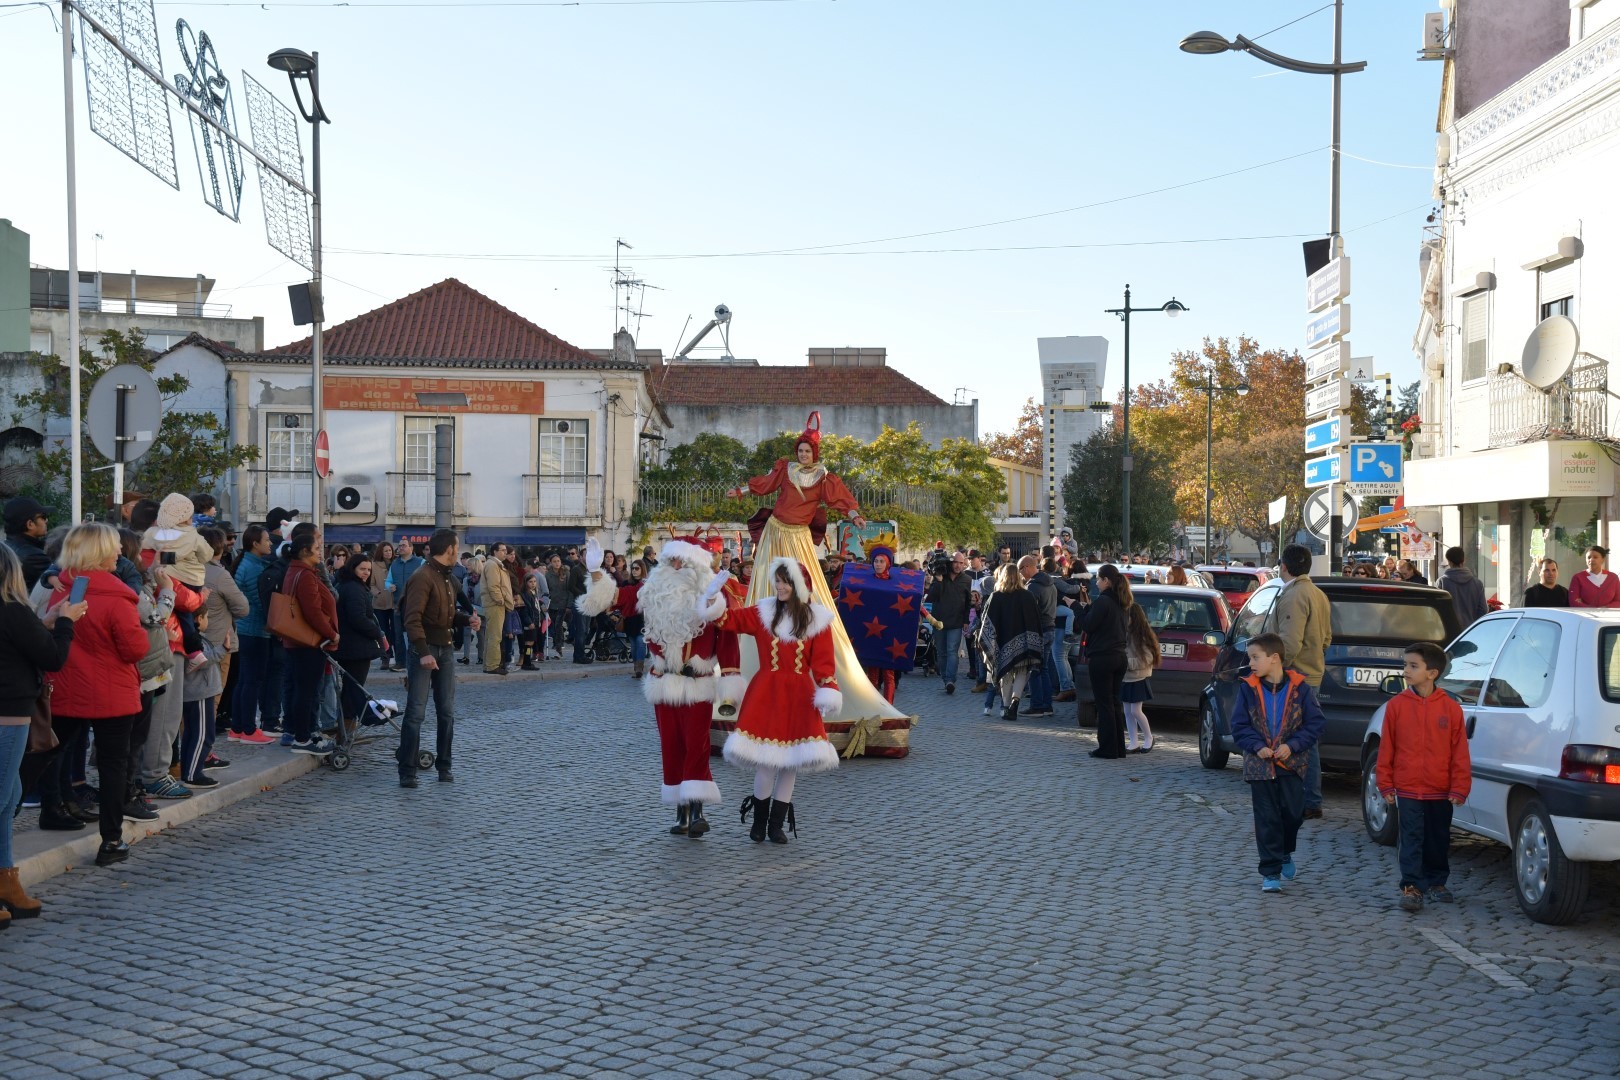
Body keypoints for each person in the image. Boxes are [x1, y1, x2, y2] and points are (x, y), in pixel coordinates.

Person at [726, 412, 913, 737]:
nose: (803, 456)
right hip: (775, 533)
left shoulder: (825, 478)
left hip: (798, 536)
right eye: (800, 451)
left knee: (801, 588)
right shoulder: (786, 469)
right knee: (768, 587)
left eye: (807, 452)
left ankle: (799, 626)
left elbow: (842, 500)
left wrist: (855, 516)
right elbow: (766, 484)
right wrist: (741, 491)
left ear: (816, 455)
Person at [579, 538, 740, 835]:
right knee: (671, 746)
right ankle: (681, 811)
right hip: (664, 682)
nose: (677, 566)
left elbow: (728, 636)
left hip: (697, 683)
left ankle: (698, 809)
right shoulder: (651, 590)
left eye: (684, 562)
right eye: (671, 561)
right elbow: (618, 597)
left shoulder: (713, 594)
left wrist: (730, 676)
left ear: (697, 565)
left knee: (697, 746)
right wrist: (597, 572)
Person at [703, 558, 839, 845]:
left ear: (799, 586)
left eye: (785, 581)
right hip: (767, 692)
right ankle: (759, 822)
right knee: (766, 761)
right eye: (777, 581)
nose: (779, 586)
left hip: (800, 696)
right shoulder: (763, 612)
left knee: (790, 763)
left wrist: (828, 689)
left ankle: (776, 825)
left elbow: (824, 665)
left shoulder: (818, 621)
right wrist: (714, 597)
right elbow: (728, 621)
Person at [44, 524, 150, 866]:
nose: (119, 552)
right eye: (115, 547)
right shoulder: (117, 597)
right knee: (113, 764)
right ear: (98, 551)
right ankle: (111, 840)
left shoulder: (62, 588)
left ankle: (49, 809)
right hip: (111, 690)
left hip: (67, 684)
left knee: (50, 753)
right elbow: (134, 648)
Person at [0, 543, 82, 917]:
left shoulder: (17, 615)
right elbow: (52, 658)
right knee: (3, 799)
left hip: (11, 712)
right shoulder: (13, 611)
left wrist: (47, 623)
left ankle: (7, 881)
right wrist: (66, 623)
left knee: (9, 797)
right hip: (10, 714)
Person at [1375, 640, 1471, 912]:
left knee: (1438, 838)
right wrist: (1386, 783)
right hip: (1406, 788)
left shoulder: (1451, 709)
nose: (1406, 670)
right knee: (1411, 837)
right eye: (1405, 664)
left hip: (1440, 789)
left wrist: (1459, 786)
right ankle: (1412, 886)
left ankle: (1437, 882)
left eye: (1413, 666)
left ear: (1432, 673)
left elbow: (1459, 752)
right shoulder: (1396, 706)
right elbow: (1387, 749)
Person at [1229, 632, 1325, 894]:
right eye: (1250, 658)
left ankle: (1284, 852)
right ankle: (1270, 871)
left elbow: (1315, 724)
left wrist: (1291, 746)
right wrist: (1257, 746)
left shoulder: (1301, 689)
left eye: (1255, 657)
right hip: (1259, 767)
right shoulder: (1247, 689)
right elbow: (1239, 725)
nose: (1251, 663)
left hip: (1291, 765)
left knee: (1293, 814)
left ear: (1274, 658)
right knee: (1266, 818)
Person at [397, 529, 480, 788]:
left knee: (446, 712)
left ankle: (445, 766)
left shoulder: (448, 578)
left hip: (444, 649)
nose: (459, 552)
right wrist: (423, 653)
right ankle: (407, 771)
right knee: (416, 713)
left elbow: (448, 614)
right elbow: (411, 618)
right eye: (457, 548)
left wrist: (468, 619)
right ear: (450, 550)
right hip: (425, 650)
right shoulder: (422, 577)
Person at [1274, 542, 1333, 818]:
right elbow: (1327, 638)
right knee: (1305, 738)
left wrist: (1275, 669)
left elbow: (1289, 642)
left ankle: (1307, 800)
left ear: (1284, 567)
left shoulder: (1295, 595)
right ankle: (1309, 799)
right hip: (1312, 672)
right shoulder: (1318, 594)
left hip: (1296, 674)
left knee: (1298, 739)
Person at [277, 532, 340, 757]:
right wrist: (331, 633)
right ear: (305, 551)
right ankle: (303, 737)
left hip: (302, 642)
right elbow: (312, 611)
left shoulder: (300, 571)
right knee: (306, 691)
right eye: (317, 548)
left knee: (306, 690)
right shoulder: (303, 574)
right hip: (307, 641)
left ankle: (307, 732)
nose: (320, 552)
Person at [976, 563, 1044, 721]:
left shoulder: (997, 596)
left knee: (1005, 673)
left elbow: (987, 623)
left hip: (1002, 641)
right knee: (1021, 672)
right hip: (1025, 644)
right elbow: (1036, 621)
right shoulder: (1028, 596)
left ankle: (1006, 707)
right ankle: (1016, 701)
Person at [229, 525, 278, 744]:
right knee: (252, 681)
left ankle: (238, 728)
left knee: (245, 681)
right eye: (266, 540)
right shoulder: (253, 568)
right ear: (255, 544)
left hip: (246, 629)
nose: (270, 543)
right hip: (254, 630)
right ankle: (248, 730)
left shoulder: (249, 563)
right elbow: (260, 601)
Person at [334, 554, 388, 731]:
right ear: (353, 568)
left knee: (352, 689)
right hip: (355, 647)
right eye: (362, 569)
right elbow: (358, 618)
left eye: (368, 570)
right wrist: (378, 634)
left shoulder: (351, 586)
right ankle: (346, 729)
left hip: (353, 646)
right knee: (354, 690)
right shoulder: (353, 588)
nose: (366, 573)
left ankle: (347, 726)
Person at [1083, 565, 1131, 758]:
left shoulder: (1104, 601)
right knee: (1114, 703)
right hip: (1119, 657)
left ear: (1107, 581)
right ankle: (1118, 747)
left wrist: (1077, 609)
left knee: (1104, 704)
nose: (1096, 582)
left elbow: (1088, 625)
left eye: (1098, 579)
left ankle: (1107, 748)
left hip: (1103, 657)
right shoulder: (1122, 601)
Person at [924, 550, 972, 694]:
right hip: (939, 621)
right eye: (956, 562)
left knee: (952, 652)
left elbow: (968, 602)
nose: (958, 566)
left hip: (956, 621)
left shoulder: (967, 580)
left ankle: (951, 679)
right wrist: (938, 581)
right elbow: (930, 597)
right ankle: (946, 680)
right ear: (950, 563)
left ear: (964, 564)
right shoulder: (940, 577)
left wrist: (966, 620)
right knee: (942, 652)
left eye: (961, 563)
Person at [1121, 601, 1160, 753]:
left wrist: (1126, 662)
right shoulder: (1126, 632)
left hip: (1138, 677)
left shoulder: (1142, 635)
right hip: (1126, 677)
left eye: (1127, 617)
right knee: (1127, 711)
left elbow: (1147, 658)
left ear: (1134, 618)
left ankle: (1149, 737)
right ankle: (1133, 741)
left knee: (1135, 711)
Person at [480, 542, 517, 675]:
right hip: (495, 604)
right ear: (494, 552)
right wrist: (501, 601)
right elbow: (494, 586)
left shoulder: (496, 564)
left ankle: (489, 664)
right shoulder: (492, 565)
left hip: (496, 604)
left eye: (505, 550)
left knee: (492, 635)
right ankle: (492, 665)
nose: (505, 553)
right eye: (502, 550)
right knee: (495, 636)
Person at [386, 540, 424, 662]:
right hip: (398, 604)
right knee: (398, 634)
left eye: (404, 545)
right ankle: (400, 662)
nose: (400, 547)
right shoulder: (394, 564)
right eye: (399, 545)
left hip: (416, 605)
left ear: (411, 548)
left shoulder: (421, 562)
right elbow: (387, 581)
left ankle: (417, 659)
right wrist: (389, 586)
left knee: (415, 633)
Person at [3, 496, 52, 591]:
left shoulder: (6, 548)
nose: (46, 520)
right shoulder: (33, 557)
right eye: (43, 517)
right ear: (30, 524)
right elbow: (65, 578)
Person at [1437, 546, 1489, 624]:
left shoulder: (1441, 582)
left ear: (1449, 562)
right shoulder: (1477, 583)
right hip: (1470, 631)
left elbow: (1438, 608)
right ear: (1463, 560)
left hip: (1449, 631)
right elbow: (1483, 610)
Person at [370, 541, 399, 670]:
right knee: (383, 632)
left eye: (390, 550)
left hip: (395, 603)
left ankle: (399, 658)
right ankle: (385, 657)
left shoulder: (397, 563)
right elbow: (370, 584)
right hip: (380, 603)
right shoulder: (374, 565)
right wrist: (377, 593)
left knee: (396, 631)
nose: (388, 553)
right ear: (381, 552)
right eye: (386, 550)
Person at [517, 571, 547, 670]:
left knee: (531, 643)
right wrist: (529, 622)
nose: (533, 583)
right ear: (526, 583)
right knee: (528, 644)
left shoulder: (533, 593)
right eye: (530, 582)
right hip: (529, 623)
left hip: (535, 622)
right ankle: (527, 662)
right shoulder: (525, 594)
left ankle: (527, 661)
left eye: (534, 581)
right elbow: (524, 611)